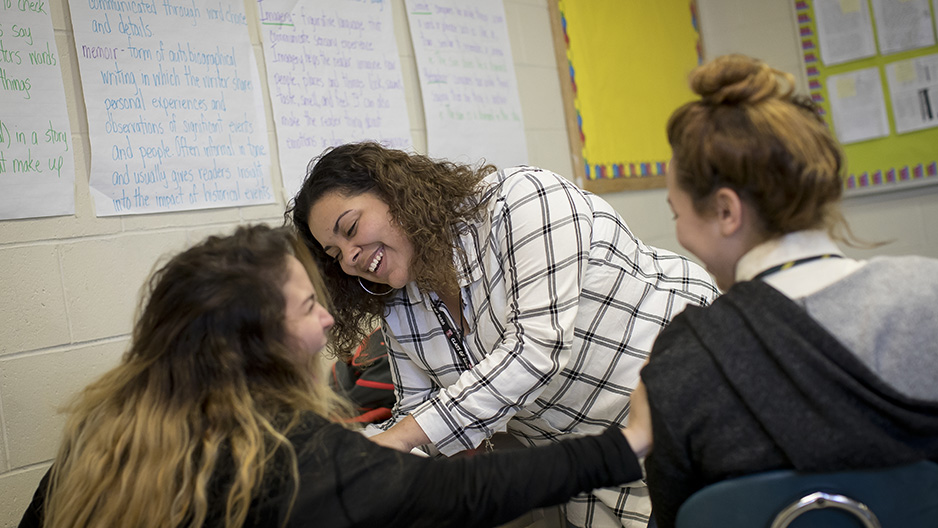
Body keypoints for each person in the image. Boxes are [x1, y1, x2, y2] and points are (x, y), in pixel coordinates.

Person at [18, 224, 652, 528]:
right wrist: (622, 446)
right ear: (256, 342)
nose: (328, 319)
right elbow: (471, 491)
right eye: (306, 306)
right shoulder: (288, 455)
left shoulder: (103, 427)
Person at [289, 142, 719, 527]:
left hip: (691, 403)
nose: (350, 258)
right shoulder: (400, 300)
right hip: (592, 457)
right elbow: (417, 410)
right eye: (335, 254)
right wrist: (368, 467)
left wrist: (397, 440)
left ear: (395, 193)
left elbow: (536, 351)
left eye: (350, 230)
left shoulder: (522, 202)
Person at [642, 54, 938, 528]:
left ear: (725, 212)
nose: (679, 233)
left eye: (677, 214)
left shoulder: (685, 355)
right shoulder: (928, 294)